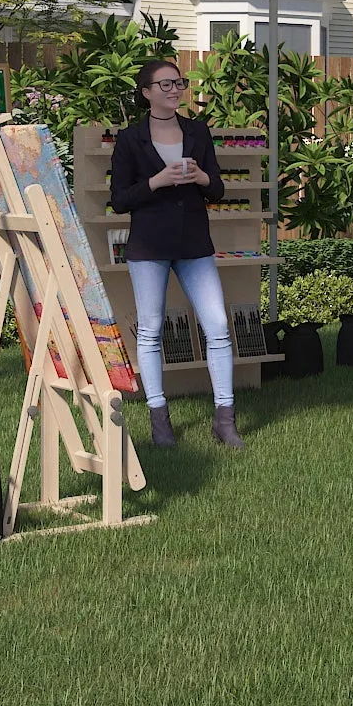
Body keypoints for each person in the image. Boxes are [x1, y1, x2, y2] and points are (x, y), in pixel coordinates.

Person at [109, 59, 243, 449]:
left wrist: (201, 178)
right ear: (146, 92)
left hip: (193, 244)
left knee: (217, 327)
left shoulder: (197, 132)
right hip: (149, 246)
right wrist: (157, 181)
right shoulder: (130, 139)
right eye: (164, 83)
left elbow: (216, 189)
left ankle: (225, 418)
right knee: (150, 332)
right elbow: (119, 200)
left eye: (178, 82)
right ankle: (160, 421)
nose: (174, 89)